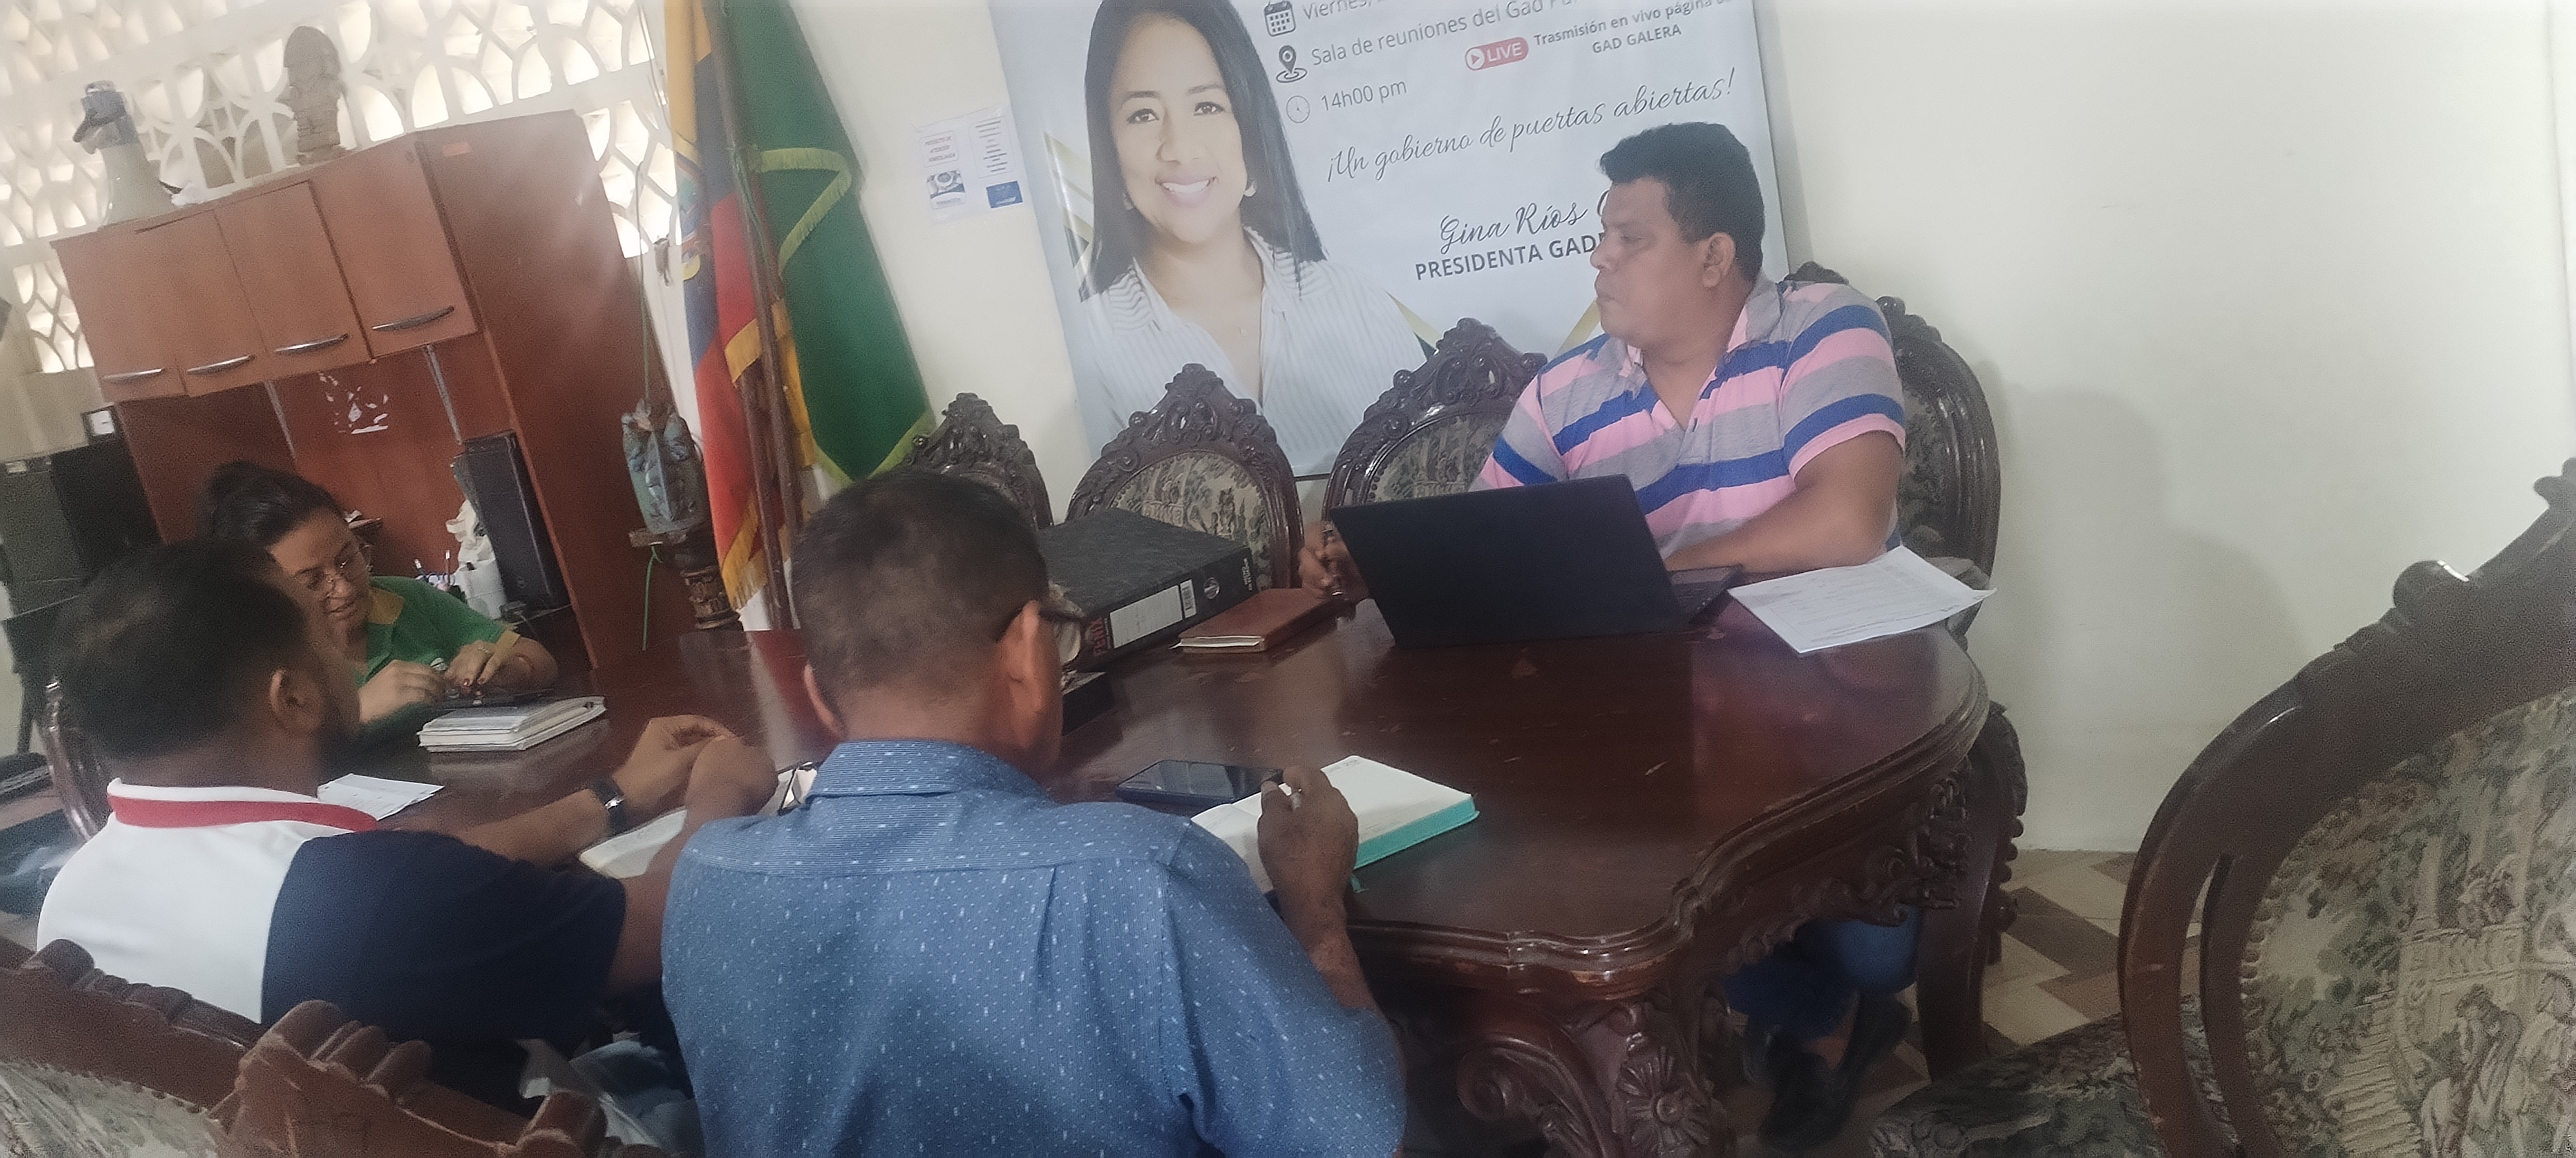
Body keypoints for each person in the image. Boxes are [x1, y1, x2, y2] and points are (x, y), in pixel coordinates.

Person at [1300, 122, 1912, 1151]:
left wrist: (1657, 562)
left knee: (1876, 952)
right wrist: (1376, 566)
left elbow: (1847, 521)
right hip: (1658, 734)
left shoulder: (1821, 327)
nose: (1599, 258)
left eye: (1629, 238)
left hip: (1837, 717)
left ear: (1713, 256)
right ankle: (1812, 1026)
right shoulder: (1567, 392)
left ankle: (1824, 998)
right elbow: (1487, 546)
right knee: (1576, 875)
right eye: (1601, 235)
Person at [662, 470, 1403, 1154]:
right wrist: (1316, 911)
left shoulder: (706, 881)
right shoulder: (1143, 880)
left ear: (820, 698)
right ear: (1026, 649)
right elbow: (1362, 1140)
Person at [35, 540, 780, 1109]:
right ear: (292, 698)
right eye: (320, 634)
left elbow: (421, 876)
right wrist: (720, 795)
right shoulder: (368, 900)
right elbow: (658, 930)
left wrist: (610, 797)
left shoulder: (72, 899)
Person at [1076, 0, 1422, 473]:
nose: (1180, 148)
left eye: (1207, 106)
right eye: (1143, 115)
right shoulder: (1088, 356)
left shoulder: (1358, 305)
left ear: (1251, 131)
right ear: (1108, 150)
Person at [198, 461, 560, 728]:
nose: (343, 588)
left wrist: (509, 671)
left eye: (348, 559)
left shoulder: (405, 598)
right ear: (267, 592)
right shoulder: (256, 664)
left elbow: (540, 661)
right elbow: (260, 778)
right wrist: (356, 713)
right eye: (312, 582)